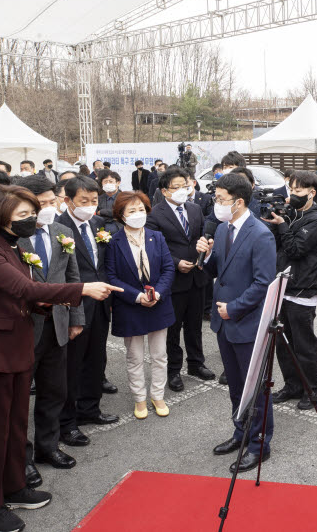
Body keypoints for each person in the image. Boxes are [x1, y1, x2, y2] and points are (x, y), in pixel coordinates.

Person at [0, 184, 119, 532]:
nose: (31, 219)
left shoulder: (12, 247)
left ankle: (14, 486)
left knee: (15, 426)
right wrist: (81, 290)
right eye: (23, 215)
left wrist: (51, 304)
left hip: (17, 348)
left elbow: (31, 295)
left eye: (32, 213)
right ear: (1, 218)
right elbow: (27, 289)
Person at [194, 173, 276, 473]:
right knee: (236, 387)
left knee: (255, 388)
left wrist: (235, 308)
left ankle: (259, 445)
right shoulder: (226, 228)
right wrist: (204, 256)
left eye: (220, 199)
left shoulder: (260, 234)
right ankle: (240, 433)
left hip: (247, 321)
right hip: (224, 321)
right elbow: (219, 270)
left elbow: (263, 282)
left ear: (238, 201)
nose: (216, 204)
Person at [14, 176, 84, 489]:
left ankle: (48, 446)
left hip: (58, 323)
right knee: (17, 399)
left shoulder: (62, 232)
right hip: (24, 327)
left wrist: (76, 318)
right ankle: (22, 458)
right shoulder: (13, 238)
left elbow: (73, 277)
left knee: (54, 390)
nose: (46, 208)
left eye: (49, 201)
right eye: (38, 204)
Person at [57, 175, 119, 447]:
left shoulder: (98, 224)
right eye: (84, 201)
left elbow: (102, 265)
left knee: (96, 361)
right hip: (75, 305)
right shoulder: (58, 228)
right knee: (71, 367)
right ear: (68, 200)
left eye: (94, 201)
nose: (90, 206)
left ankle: (90, 409)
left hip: (101, 304)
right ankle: (67, 423)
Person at [107, 191, 176, 419]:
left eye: (141, 210)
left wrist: (158, 293)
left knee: (160, 355)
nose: (138, 214)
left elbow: (168, 268)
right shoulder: (113, 241)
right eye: (131, 211)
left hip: (158, 303)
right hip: (130, 306)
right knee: (134, 357)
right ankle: (139, 399)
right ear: (121, 215)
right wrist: (137, 297)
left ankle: (157, 395)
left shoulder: (157, 236)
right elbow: (112, 277)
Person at [263, 171, 317, 410]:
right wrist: (278, 221)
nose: (293, 195)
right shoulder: (294, 214)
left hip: (303, 290)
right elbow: (278, 246)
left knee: (304, 344)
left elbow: (295, 249)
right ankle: (293, 385)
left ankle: (314, 390)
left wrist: (282, 226)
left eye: (298, 191)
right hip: (283, 286)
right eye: (291, 190)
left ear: (312, 193)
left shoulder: (316, 220)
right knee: (283, 343)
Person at [148, 167, 216, 388]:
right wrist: (177, 263)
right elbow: (157, 247)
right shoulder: (155, 214)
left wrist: (206, 247)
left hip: (197, 276)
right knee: (173, 328)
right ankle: (173, 370)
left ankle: (196, 363)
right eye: (175, 187)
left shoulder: (195, 209)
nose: (181, 191)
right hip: (174, 279)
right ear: (165, 191)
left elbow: (200, 236)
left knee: (195, 325)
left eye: (184, 186)